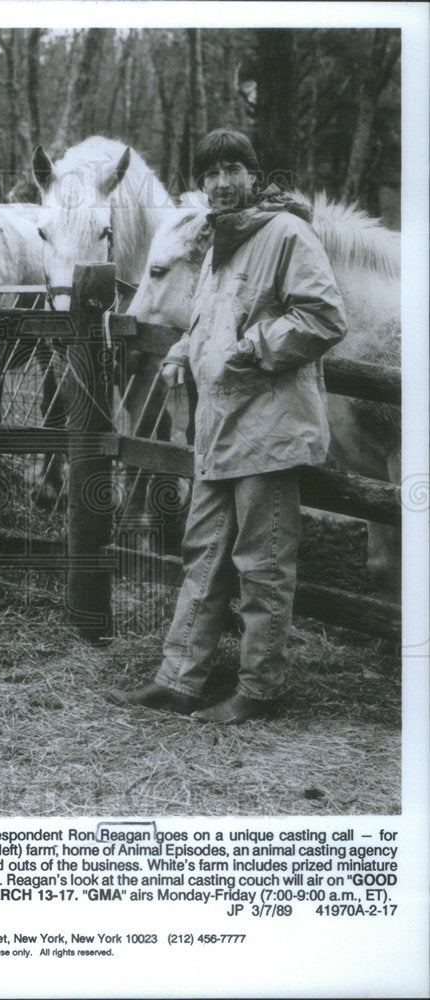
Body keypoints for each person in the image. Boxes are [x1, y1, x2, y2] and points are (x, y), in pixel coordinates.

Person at [111, 128, 347, 724]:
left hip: (268, 430)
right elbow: (212, 319)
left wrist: (251, 348)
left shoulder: (287, 234)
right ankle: (180, 680)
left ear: (255, 175)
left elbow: (322, 316)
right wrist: (182, 350)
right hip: (219, 430)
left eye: (232, 169)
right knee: (204, 556)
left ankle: (261, 690)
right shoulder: (220, 241)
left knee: (262, 565)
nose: (220, 183)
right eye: (210, 173)